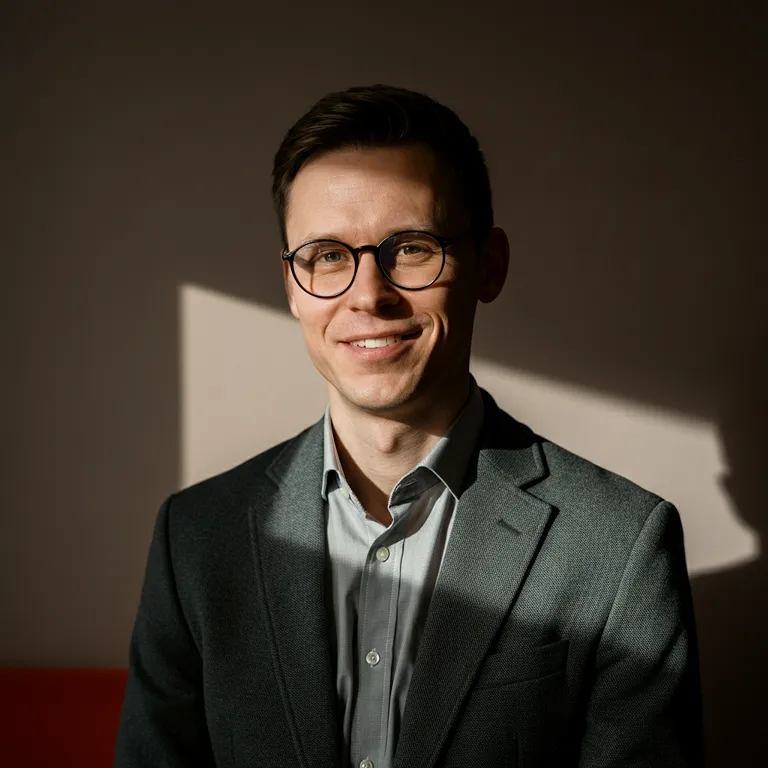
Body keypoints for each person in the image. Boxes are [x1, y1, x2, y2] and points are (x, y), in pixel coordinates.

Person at [114, 85, 703, 768]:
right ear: (291, 287)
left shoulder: (621, 546)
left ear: (490, 264)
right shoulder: (194, 539)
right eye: (327, 256)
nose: (369, 295)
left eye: (412, 248)